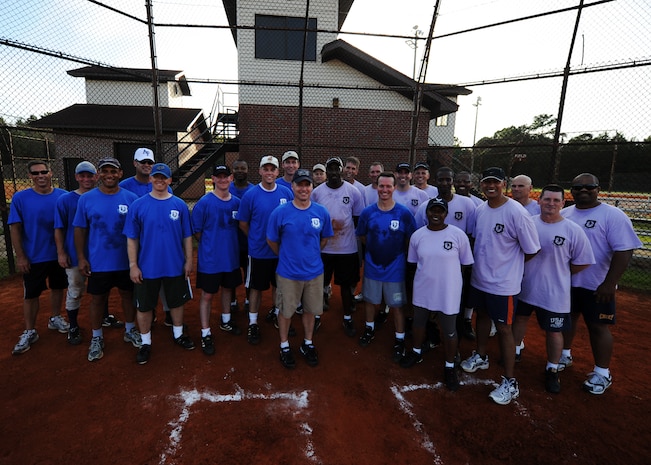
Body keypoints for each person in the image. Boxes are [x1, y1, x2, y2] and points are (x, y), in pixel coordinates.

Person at [460, 166, 540, 405]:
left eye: (495, 182)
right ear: (481, 185)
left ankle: (509, 381)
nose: (490, 186)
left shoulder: (516, 212)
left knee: (505, 329)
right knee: (481, 317)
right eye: (486, 182)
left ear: (503, 183)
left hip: (504, 285)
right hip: (480, 279)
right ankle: (481, 356)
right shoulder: (480, 210)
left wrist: (509, 267)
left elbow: (532, 250)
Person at [559, 173, 642, 395]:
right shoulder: (565, 214)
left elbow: (624, 250)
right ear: (571, 191)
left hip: (597, 285)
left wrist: (610, 283)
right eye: (577, 187)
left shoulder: (612, 215)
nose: (583, 191)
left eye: (589, 187)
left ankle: (602, 372)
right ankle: (564, 355)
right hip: (569, 282)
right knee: (568, 320)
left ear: (598, 189)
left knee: (598, 327)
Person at [513, 184, 594, 393]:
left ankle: (552, 369)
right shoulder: (528, 224)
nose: (551, 204)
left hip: (554, 293)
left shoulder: (572, 230)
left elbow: (583, 261)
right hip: (525, 286)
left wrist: (560, 273)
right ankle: (514, 351)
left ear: (563, 203)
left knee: (554, 331)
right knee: (519, 319)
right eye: (547, 199)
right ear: (538, 201)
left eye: (556, 200)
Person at [124, 163, 194, 364]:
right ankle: (145, 342)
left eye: (164, 177)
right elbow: (132, 238)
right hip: (147, 266)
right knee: (145, 305)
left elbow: (187, 236)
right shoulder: (138, 205)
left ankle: (178, 334)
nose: (160, 180)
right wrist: (133, 265)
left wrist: (189, 260)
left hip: (174, 264)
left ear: (170, 180)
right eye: (156, 177)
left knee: (177, 301)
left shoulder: (179, 205)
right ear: (150, 179)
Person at [73, 157, 142, 362]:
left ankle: (130, 330)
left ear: (120, 173)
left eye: (113, 171)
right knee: (97, 299)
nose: (109, 175)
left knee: (128, 295)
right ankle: (97, 337)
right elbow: (79, 229)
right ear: (98, 175)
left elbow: (138, 231)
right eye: (105, 171)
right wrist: (81, 257)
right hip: (99, 261)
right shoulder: (86, 199)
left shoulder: (131, 198)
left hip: (125, 261)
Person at [401, 198, 474, 391]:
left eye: (440, 211)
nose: (436, 214)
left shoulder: (458, 235)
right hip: (423, 288)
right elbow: (413, 262)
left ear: (446, 213)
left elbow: (466, 264)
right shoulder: (418, 236)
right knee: (418, 322)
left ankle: (450, 365)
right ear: (426, 213)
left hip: (448, 291)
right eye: (432, 210)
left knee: (449, 329)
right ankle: (416, 352)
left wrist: (449, 280)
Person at [267, 169, 333, 369]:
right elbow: (271, 240)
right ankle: (285, 345)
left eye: (307, 184)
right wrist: (287, 256)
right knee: (286, 311)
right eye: (300, 184)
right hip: (288, 273)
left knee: (310, 310)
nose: (303, 188)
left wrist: (310, 254)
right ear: (293, 187)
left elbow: (324, 238)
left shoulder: (321, 212)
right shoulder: (281, 212)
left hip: (314, 272)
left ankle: (307, 343)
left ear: (312, 187)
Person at [356, 172, 417, 362]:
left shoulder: (404, 213)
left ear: (394, 188)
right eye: (381, 186)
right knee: (370, 301)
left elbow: (410, 239)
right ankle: (369, 328)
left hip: (395, 269)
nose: (384, 190)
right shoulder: (368, 212)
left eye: (388, 186)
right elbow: (363, 236)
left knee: (397, 305)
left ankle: (399, 339)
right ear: (377, 187)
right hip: (373, 266)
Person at [10, 160, 69, 354]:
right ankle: (30, 330)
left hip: (58, 254)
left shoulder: (63, 196)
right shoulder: (21, 198)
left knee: (58, 287)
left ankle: (55, 317)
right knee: (31, 294)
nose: (40, 176)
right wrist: (21, 256)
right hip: (34, 256)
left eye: (44, 172)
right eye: (36, 173)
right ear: (30, 176)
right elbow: (15, 228)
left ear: (51, 173)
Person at [414, 167, 477, 341]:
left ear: (453, 181)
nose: (444, 183)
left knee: (456, 300)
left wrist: (464, 264)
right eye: (440, 180)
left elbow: (471, 235)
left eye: (448, 180)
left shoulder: (467, 204)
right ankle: (431, 334)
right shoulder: (424, 207)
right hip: (431, 264)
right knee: (428, 302)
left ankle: (461, 327)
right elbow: (419, 235)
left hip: (455, 265)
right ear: (435, 181)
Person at [237, 155, 293, 345]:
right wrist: (255, 239)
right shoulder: (251, 195)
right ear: (260, 171)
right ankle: (253, 322)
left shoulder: (286, 193)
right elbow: (243, 223)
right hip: (258, 252)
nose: (269, 172)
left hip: (280, 252)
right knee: (256, 288)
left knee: (280, 286)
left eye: (273, 169)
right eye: (266, 169)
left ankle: (278, 314)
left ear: (278, 172)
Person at [120, 147, 173, 326]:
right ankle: (147, 314)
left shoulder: (164, 185)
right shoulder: (125, 187)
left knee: (165, 281)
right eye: (143, 162)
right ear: (135, 163)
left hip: (158, 244)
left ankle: (168, 313)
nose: (146, 165)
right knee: (141, 283)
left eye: (149, 162)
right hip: (137, 244)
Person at [311, 156, 364, 336]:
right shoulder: (317, 193)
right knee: (320, 284)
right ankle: (316, 317)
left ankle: (347, 317)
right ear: (327, 172)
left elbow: (357, 219)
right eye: (330, 169)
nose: (334, 172)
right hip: (325, 248)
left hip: (346, 248)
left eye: (337, 168)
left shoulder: (353, 191)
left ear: (342, 170)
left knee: (347, 285)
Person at [193, 165, 243, 356]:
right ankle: (205, 332)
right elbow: (197, 231)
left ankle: (226, 320)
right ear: (213, 179)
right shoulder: (204, 203)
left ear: (231, 178)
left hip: (230, 258)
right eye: (219, 177)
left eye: (226, 176)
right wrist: (211, 246)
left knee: (228, 290)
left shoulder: (237, 203)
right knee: (207, 295)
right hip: (210, 259)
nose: (223, 180)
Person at [54, 161, 99, 345]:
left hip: (98, 254)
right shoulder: (65, 200)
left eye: (90, 175)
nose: (86, 179)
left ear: (96, 177)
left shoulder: (101, 196)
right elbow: (58, 228)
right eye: (83, 175)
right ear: (76, 177)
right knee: (75, 290)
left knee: (99, 290)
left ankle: (103, 317)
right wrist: (61, 252)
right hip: (74, 254)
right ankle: (73, 325)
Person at [229, 159, 254, 312]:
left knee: (249, 276)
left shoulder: (253, 191)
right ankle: (232, 302)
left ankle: (248, 300)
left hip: (248, 243)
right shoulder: (227, 189)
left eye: (242, 168)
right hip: (230, 243)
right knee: (231, 275)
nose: (239, 171)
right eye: (236, 168)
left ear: (247, 170)